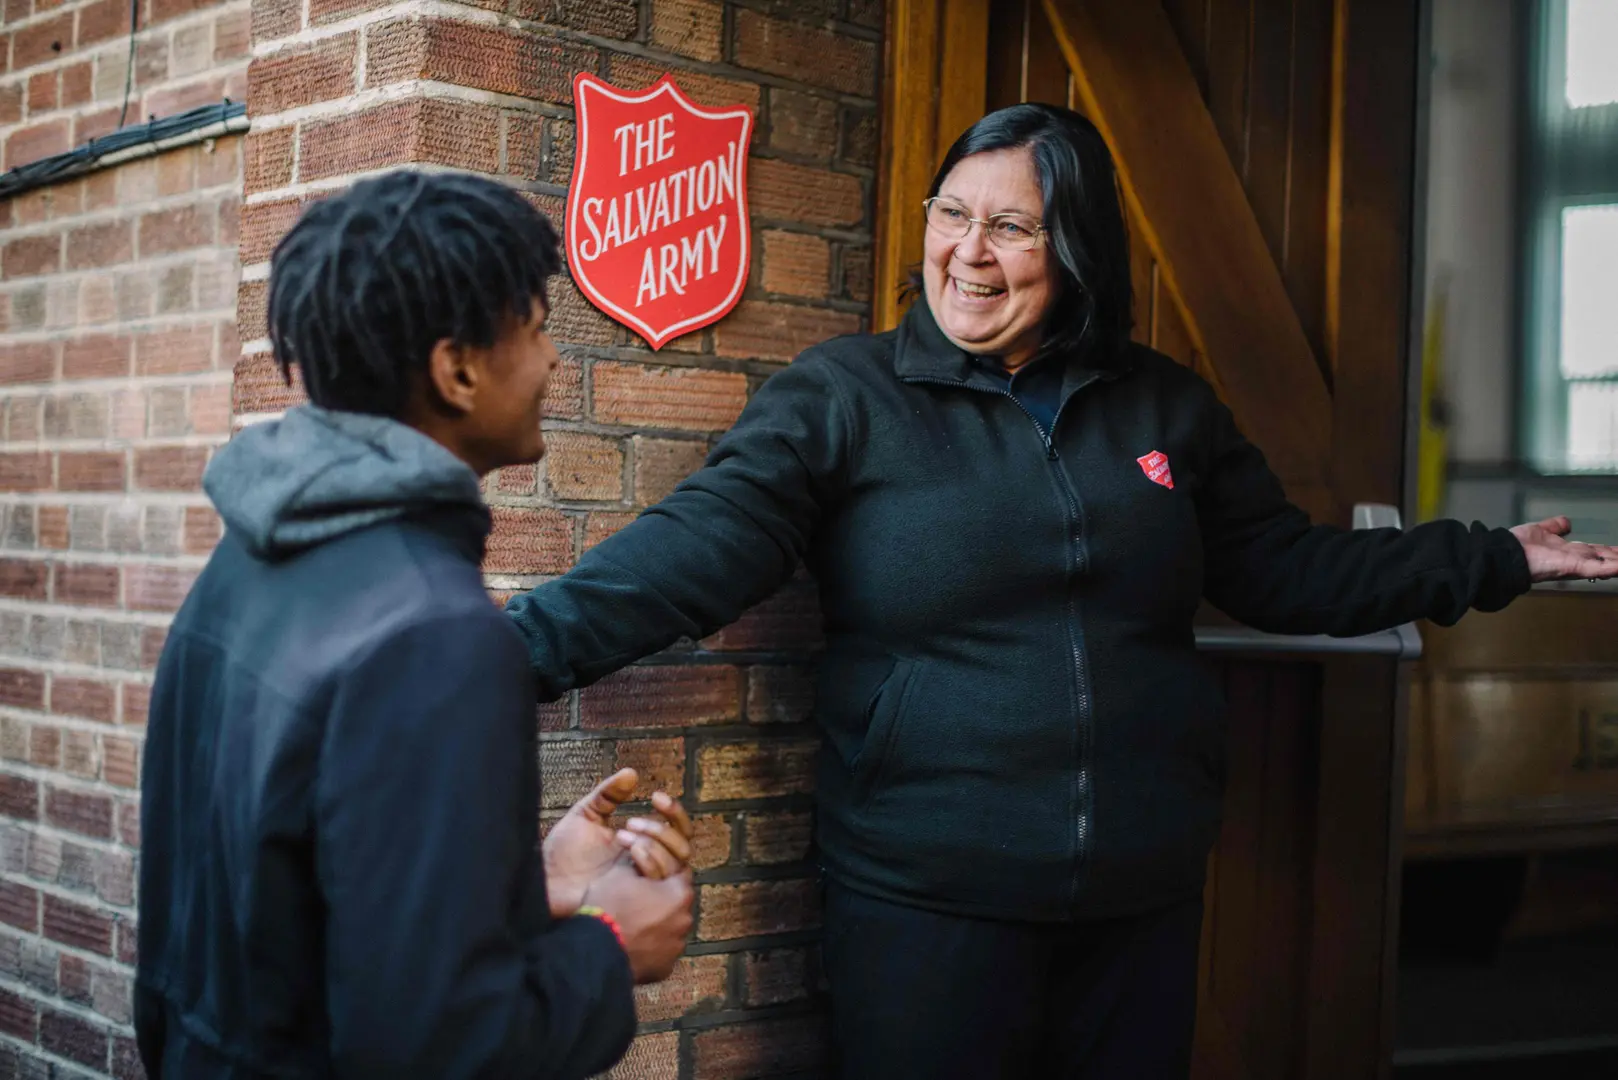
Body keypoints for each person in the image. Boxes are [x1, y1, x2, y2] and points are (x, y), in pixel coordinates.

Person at [504, 104, 1618, 1078]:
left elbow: (1288, 569)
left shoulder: (1166, 410)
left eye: (1011, 226)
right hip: (925, 897)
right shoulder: (842, 399)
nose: (967, 253)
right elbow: (693, 551)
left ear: (1076, 249)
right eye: (951, 214)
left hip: (1138, 895)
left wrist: (1494, 557)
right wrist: (492, 661)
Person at [136, 170, 698, 1080]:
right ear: (457, 369)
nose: (555, 360)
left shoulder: (249, 560)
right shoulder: (435, 637)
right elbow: (436, 1045)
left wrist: (520, 885)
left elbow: (294, 912)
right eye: (538, 327)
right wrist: (607, 943)